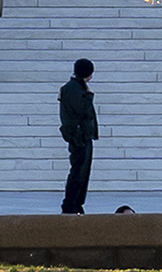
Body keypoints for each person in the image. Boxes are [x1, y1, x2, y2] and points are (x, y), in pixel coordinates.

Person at [58, 56, 98, 214]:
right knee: (78, 172)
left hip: (83, 135)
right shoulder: (74, 89)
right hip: (78, 137)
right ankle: (71, 204)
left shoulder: (76, 87)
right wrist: (89, 95)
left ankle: (76, 203)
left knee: (82, 172)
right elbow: (81, 110)